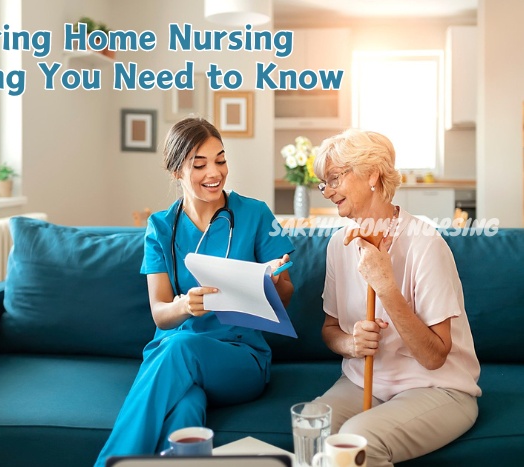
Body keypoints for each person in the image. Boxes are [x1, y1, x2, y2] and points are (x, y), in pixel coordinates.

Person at [95, 117, 295, 466]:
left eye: (220, 159)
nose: (214, 172)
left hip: (240, 358)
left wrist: (275, 284)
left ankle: (110, 462)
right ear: (176, 171)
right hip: (175, 356)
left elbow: (287, 296)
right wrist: (186, 306)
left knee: (181, 347)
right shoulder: (159, 227)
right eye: (199, 164)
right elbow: (160, 312)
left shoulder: (256, 214)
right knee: (184, 410)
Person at [311, 129, 481, 467]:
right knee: (313, 427)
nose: (327, 191)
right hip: (364, 381)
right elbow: (330, 328)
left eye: (334, 179)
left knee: (357, 444)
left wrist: (386, 287)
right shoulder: (337, 245)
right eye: (324, 183)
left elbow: (434, 358)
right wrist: (351, 344)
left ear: (371, 174)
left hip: (437, 388)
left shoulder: (424, 244)